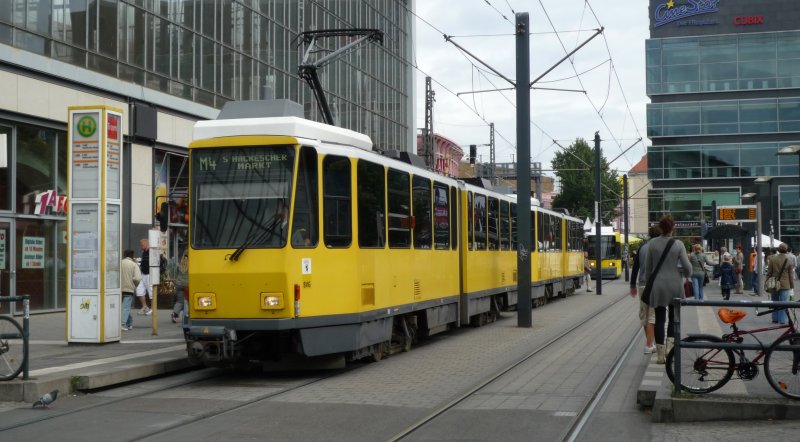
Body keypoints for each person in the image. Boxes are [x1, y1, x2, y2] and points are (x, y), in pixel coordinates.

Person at [643, 215, 692, 364]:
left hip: (658, 285)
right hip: (675, 285)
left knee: (659, 319)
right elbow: (688, 268)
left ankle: (659, 355)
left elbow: (648, 269)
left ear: (660, 227)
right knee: (673, 318)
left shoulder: (652, 244)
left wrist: (650, 282)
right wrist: (684, 274)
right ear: (673, 228)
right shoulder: (678, 244)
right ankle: (670, 352)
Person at [630, 225, 661, 354]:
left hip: (642, 285)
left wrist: (632, 285)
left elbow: (635, 267)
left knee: (644, 315)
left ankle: (650, 343)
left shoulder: (642, 248)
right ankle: (649, 345)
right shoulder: (659, 247)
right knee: (652, 317)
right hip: (654, 285)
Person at [766, 244, 795, 324]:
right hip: (785, 284)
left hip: (774, 283)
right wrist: (792, 285)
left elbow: (769, 273)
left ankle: (775, 318)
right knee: (783, 303)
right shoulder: (788, 260)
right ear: (786, 250)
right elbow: (790, 275)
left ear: (778, 250)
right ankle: (782, 320)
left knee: (774, 301)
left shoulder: (773, 259)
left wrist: (767, 283)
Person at [121, 249, 142, 331]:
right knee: (126, 307)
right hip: (129, 289)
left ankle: (129, 323)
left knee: (124, 307)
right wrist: (134, 285)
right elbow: (137, 278)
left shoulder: (120, 263)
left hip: (119, 289)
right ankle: (123, 324)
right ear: (132, 255)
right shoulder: (134, 265)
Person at [171, 251, 188, 324]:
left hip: (179, 284)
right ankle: (187, 316)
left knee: (180, 301)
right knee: (189, 301)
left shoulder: (180, 264)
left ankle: (174, 314)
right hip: (187, 285)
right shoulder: (192, 264)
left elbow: (176, 274)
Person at [136, 239, 152, 315]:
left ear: (146, 244)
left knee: (151, 291)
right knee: (139, 290)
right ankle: (145, 307)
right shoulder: (144, 252)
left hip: (149, 274)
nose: (140, 247)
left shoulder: (151, 251)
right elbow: (144, 262)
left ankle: (153, 308)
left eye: (142, 245)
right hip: (143, 274)